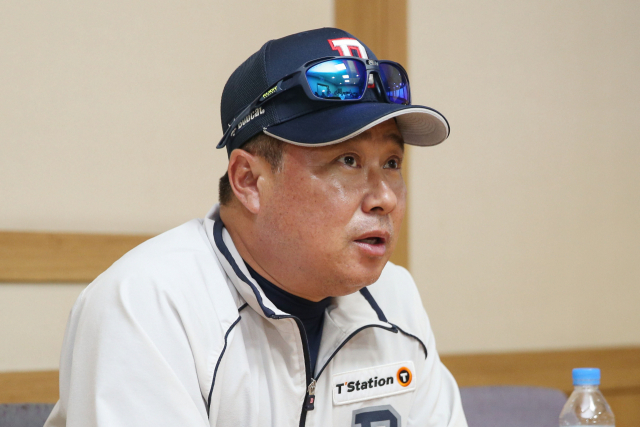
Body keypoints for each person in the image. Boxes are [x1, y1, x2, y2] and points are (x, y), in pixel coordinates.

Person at [45, 28, 466, 427]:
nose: (385, 199)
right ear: (248, 181)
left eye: (391, 163)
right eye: (348, 161)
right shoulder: (148, 304)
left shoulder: (395, 297)